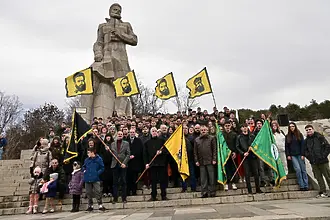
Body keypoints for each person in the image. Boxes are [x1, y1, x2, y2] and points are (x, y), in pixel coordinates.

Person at [304, 124, 330, 197]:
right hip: (314, 162)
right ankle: (322, 191)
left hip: (323, 161)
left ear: (313, 129)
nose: (308, 131)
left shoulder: (320, 137)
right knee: (318, 177)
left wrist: (323, 156)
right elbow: (305, 151)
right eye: (307, 130)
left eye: (310, 129)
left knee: (328, 176)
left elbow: (327, 146)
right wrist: (310, 157)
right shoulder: (306, 141)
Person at [236, 124, 262, 194]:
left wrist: (252, 149)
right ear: (241, 129)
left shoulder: (252, 136)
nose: (244, 128)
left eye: (245, 127)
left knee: (256, 173)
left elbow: (256, 145)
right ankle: (249, 190)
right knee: (247, 174)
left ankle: (258, 189)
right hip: (245, 158)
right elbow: (237, 147)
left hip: (253, 157)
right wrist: (243, 153)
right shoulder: (239, 137)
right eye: (243, 127)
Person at [144, 127, 168, 201]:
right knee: (153, 181)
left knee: (162, 180)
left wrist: (161, 152)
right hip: (152, 164)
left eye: (155, 131)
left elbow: (166, 151)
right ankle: (153, 196)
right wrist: (146, 163)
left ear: (157, 132)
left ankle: (163, 195)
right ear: (151, 132)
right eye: (153, 131)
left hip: (161, 164)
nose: (154, 132)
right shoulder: (147, 142)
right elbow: (145, 154)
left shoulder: (162, 141)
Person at [194, 125, 216, 198]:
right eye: (202, 130)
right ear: (200, 131)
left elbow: (214, 150)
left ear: (207, 130)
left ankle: (212, 192)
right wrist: (196, 160)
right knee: (203, 178)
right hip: (201, 161)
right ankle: (204, 192)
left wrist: (214, 159)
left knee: (211, 177)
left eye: (205, 130)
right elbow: (195, 152)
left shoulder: (212, 138)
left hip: (210, 161)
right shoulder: (197, 140)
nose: (203, 131)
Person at [285, 122, 308, 191]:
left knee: (303, 170)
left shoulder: (299, 135)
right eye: (290, 126)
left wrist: (303, 154)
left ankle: (306, 185)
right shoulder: (287, 136)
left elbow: (303, 145)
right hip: (293, 155)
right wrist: (288, 155)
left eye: (293, 126)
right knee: (298, 169)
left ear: (295, 127)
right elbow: (287, 146)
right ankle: (301, 185)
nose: (292, 127)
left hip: (300, 154)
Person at [109, 130, 130, 203]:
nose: (120, 135)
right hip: (114, 164)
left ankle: (124, 198)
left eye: (121, 134)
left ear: (123, 135)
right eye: (119, 134)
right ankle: (115, 198)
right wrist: (107, 150)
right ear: (116, 135)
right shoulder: (112, 144)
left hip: (123, 165)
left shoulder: (126, 143)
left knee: (123, 181)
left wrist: (124, 163)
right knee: (115, 182)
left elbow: (128, 154)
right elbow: (111, 153)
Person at [83, 147, 105, 212]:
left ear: (92, 152)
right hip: (87, 178)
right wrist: (84, 171)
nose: (88, 154)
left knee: (97, 191)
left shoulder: (99, 159)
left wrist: (97, 173)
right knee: (88, 192)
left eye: (88, 152)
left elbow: (102, 167)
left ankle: (100, 204)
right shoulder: (87, 160)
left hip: (95, 178)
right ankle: (90, 205)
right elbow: (84, 166)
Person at [127, 129, 144, 196]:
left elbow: (140, 150)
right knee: (128, 177)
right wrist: (129, 156)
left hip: (136, 162)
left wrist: (134, 155)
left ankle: (134, 191)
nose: (132, 133)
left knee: (135, 177)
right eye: (130, 132)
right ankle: (128, 191)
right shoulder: (126, 141)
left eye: (133, 132)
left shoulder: (138, 140)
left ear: (135, 133)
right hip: (128, 162)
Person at [223, 121, 238, 191]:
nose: (227, 127)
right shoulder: (222, 135)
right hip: (225, 155)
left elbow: (236, 144)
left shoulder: (234, 134)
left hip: (232, 154)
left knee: (233, 168)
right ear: (224, 127)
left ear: (231, 126)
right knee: (226, 169)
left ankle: (233, 183)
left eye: (228, 125)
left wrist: (235, 152)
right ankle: (226, 183)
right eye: (226, 125)